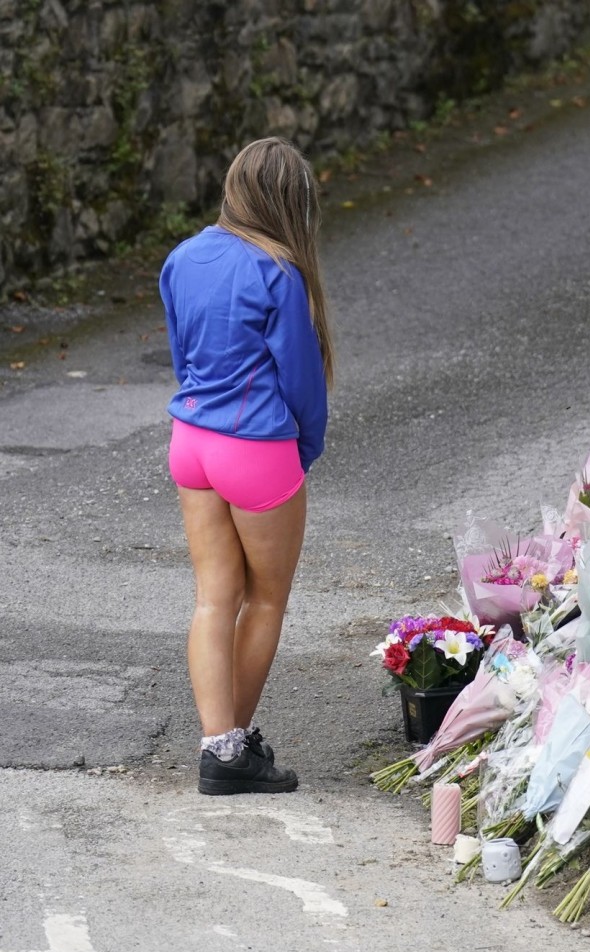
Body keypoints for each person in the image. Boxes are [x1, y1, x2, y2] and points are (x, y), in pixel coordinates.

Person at [159, 137, 334, 795]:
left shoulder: (181, 258)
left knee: (212, 598)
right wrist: (304, 451)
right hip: (255, 449)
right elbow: (301, 382)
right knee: (265, 598)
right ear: (292, 203)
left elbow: (184, 357)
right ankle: (233, 752)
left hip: (191, 441)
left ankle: (219, 744)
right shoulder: (279, 271)